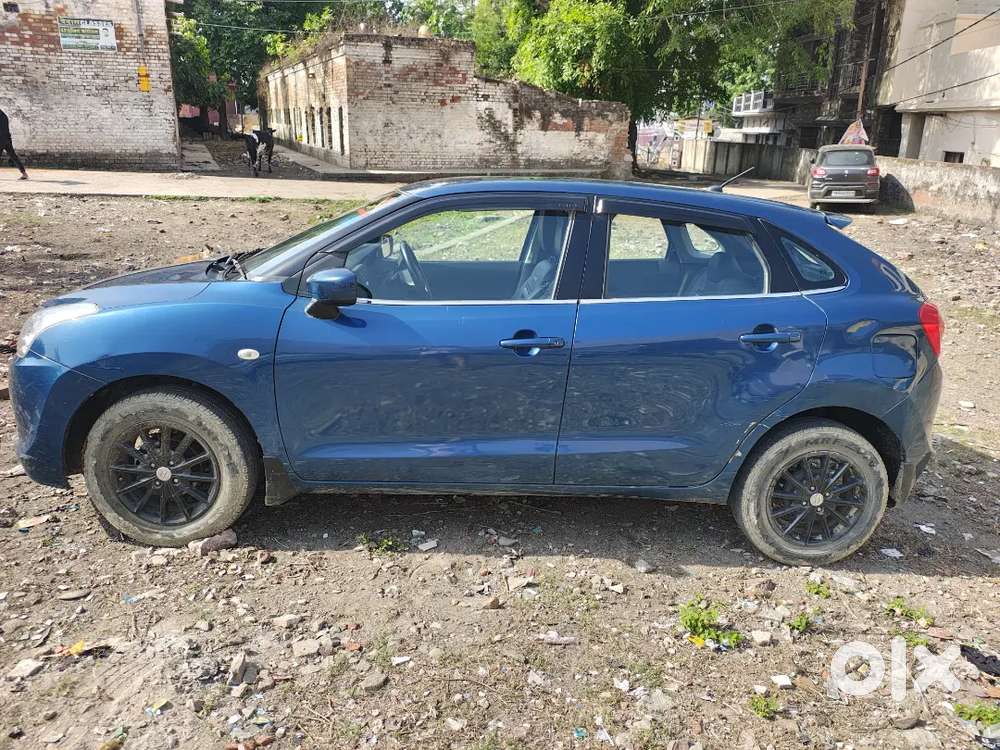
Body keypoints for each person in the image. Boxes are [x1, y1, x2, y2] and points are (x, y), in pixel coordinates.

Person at [0, 108, 28, 180]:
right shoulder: (4, 116)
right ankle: (24, 173)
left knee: (13, 156)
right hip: (7, 139)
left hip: (1, 139)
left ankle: (24, 173)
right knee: (13, 156)